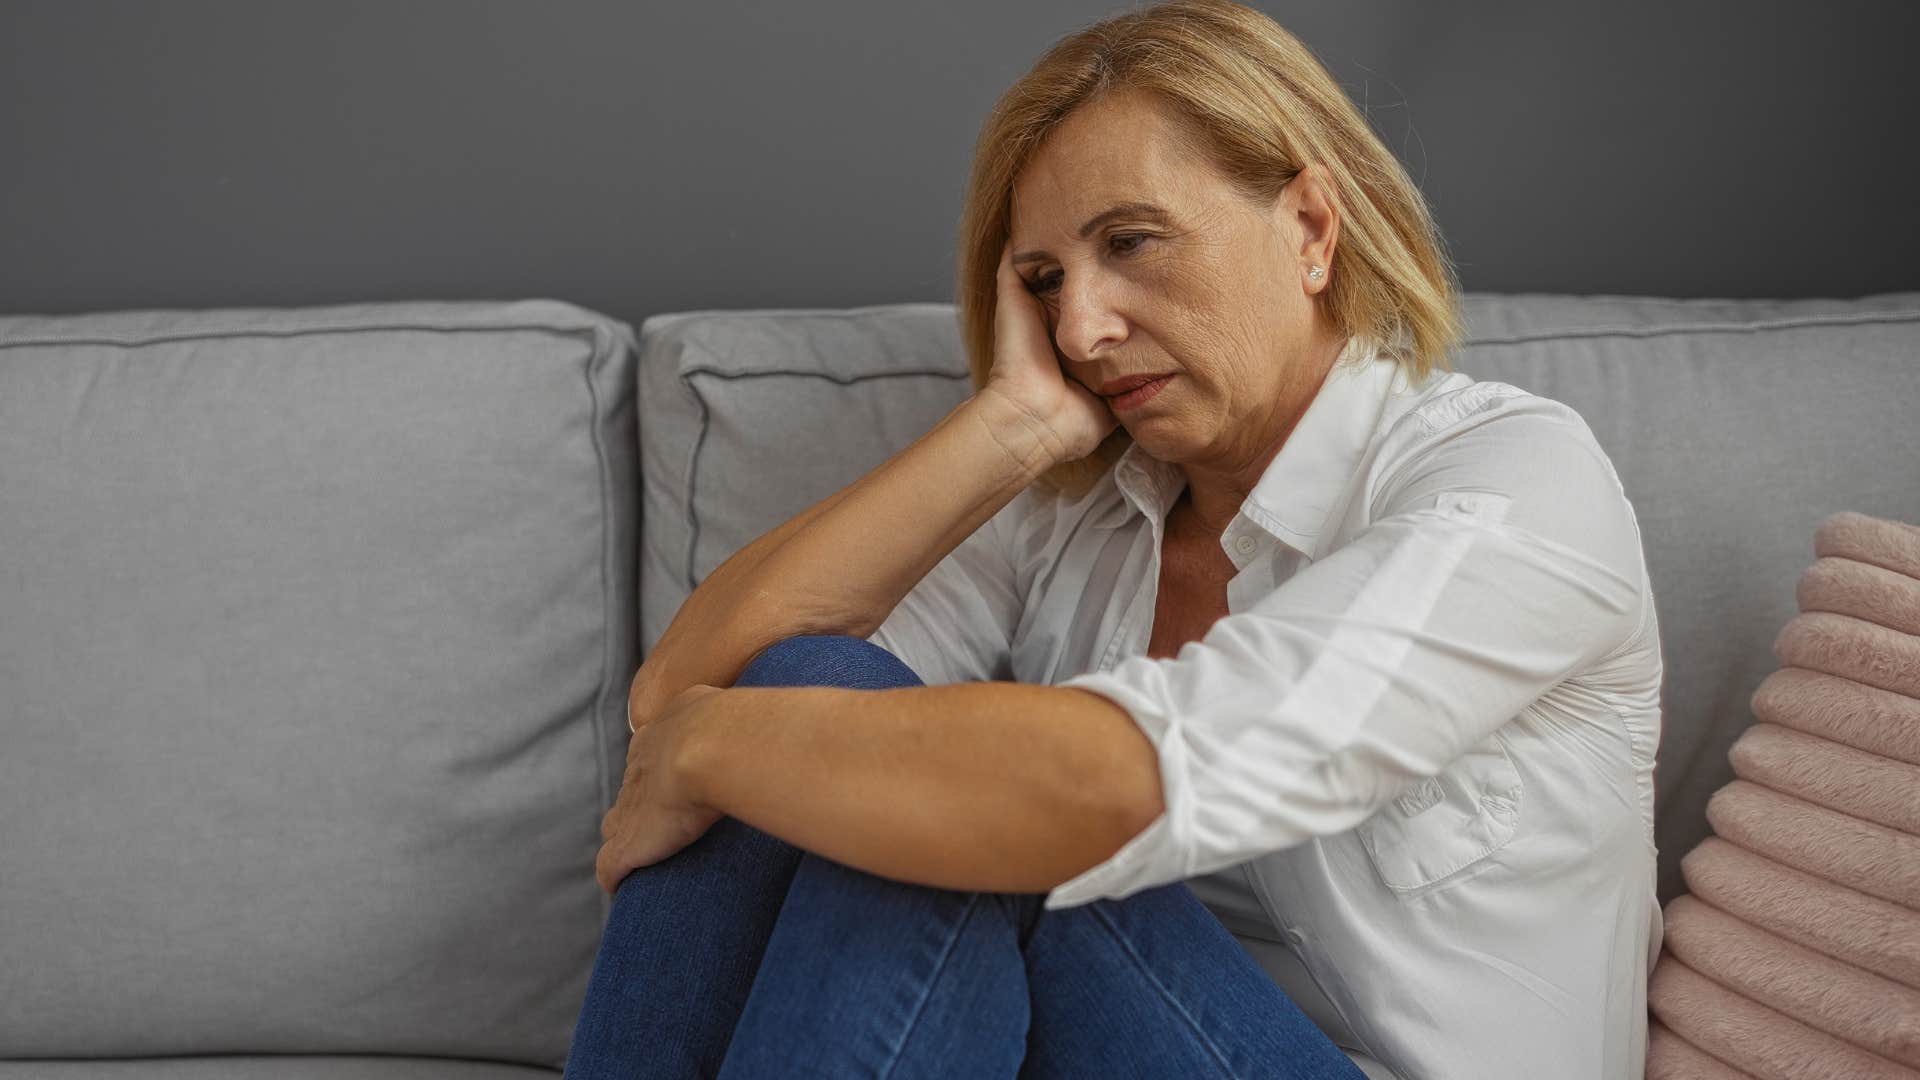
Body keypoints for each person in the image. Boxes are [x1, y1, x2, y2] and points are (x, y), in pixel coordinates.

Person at [569, 1, 1663, 1077]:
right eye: (1045, 282)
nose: (1081, 331)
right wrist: (1012, 425)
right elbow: (681, 692)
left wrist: (715, 747)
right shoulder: (1084, 518)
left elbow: (1090, 787)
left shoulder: (1511, 482)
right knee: (830, 700)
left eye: (1131, 243)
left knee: (963, 804)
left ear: (1312, 232)